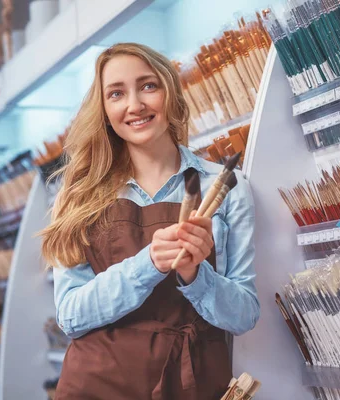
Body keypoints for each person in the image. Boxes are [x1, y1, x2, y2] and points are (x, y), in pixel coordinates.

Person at [40, 42, 259, 400]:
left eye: (148, 86)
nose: (134, 105)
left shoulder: (225, 186)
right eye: (116, 93)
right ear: (105, 109)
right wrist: (150, 264)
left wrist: (194, 275)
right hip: (97, 385)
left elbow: (244, 315)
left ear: (170, 92)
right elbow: (70, 317)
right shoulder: (79, 195)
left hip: (193, 382)